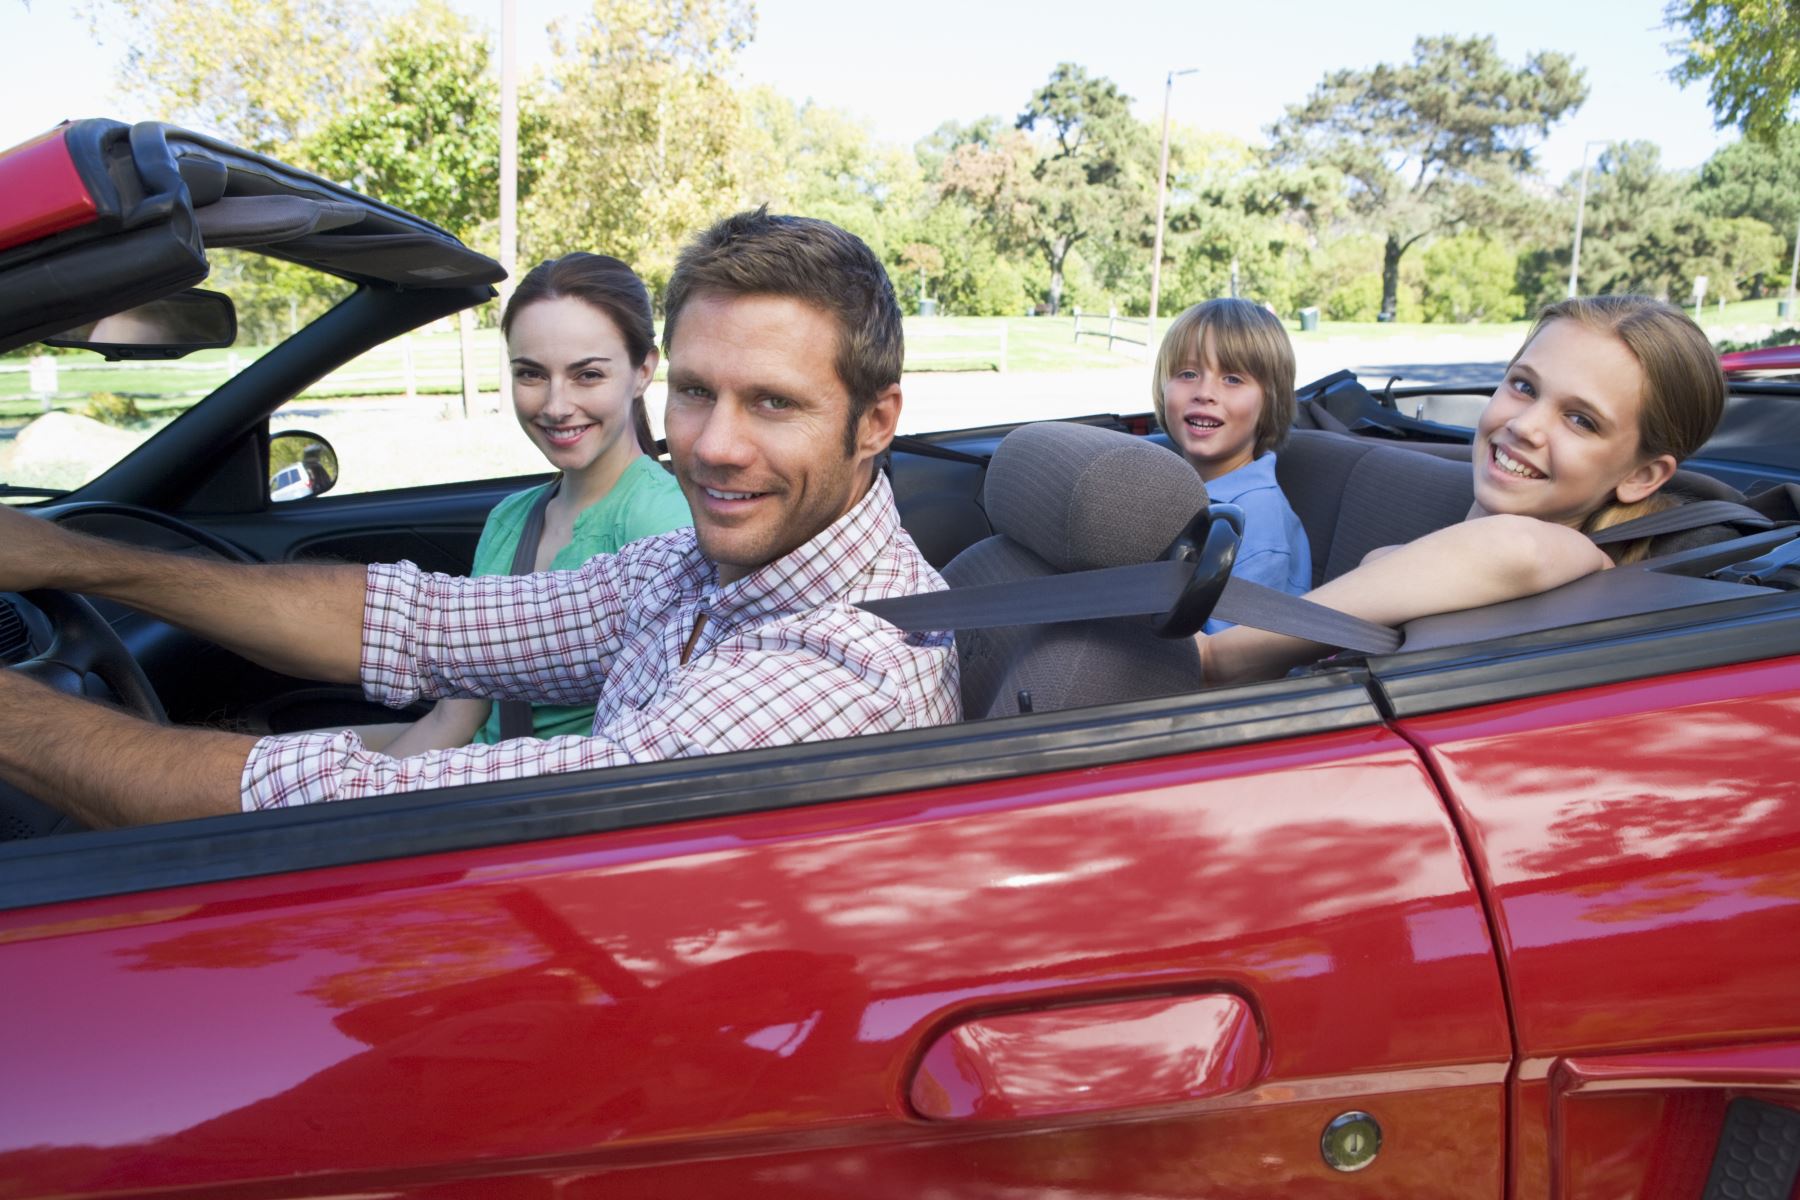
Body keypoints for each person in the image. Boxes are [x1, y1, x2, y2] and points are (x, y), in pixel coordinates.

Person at [0, 210, 960, 827]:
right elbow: (420, 626)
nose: (713, 445)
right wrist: (73, 559)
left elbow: (398, 806)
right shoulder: (700, 568)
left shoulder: (842, 671)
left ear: (875, 421)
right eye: (698, 392)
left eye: (774, 403)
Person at [1199, 295, 1727, 686]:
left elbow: (1518, 549)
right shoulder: (1425, 562)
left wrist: (1220, 656)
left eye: (1581, 420)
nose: (1525, 426)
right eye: (1523, 386)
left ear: (1641, 477)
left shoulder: (1575, 558)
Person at [371, 253, 690, 759]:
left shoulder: (663, 522)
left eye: (587, 375)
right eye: (531, 374)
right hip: (476, 769)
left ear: (643, 370)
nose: (556, 405)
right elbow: (458, 714)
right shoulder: (509, 519)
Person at [1152, 298, 1311, 632]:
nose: (1205, 392)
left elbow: (1232, 660)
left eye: (1233, 379)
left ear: (1271, 401)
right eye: (1188, 373)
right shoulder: (1169, 488)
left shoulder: (1259, 525)